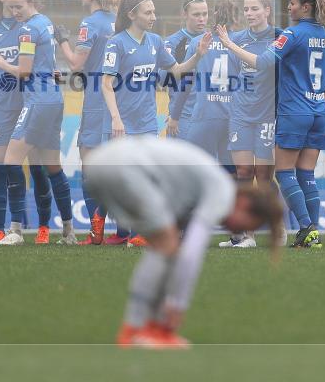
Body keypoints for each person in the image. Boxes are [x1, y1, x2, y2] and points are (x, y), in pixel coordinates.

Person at [84, 136, 284, 348]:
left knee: (162, 248)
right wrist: (178, 305)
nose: (241, 230)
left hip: (102, 163)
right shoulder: (221, 191)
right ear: (244, 204)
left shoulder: (201, 189)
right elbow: (191, 254)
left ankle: (149, 329)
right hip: (123, 168)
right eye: (250, 224)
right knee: (167, 245)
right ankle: (140, 331)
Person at [220, 0, 325, 248]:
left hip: (294, 111)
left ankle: (304, 227)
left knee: (284, 173)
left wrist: (228, 43)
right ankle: (313, 232)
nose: (289, 7)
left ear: (305, 7)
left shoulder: (291, 34)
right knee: (306, 173)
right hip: (319, 111)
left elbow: (262, 63)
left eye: (292, 3)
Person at [101, 0, 211, 246]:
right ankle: (122, 232)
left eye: (153, 11)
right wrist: (116, 119)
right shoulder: (116, 43)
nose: (154, 16)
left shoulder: (155, 42)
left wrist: (198, 56)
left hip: (148, 121)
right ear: (132, 15)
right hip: (123, 122)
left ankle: (142, 232)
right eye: (148, 12)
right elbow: (106, 84)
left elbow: (177, 71)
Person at [0, 0, 76, 246]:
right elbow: (45, 64)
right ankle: (69, 232)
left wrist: (3, 63)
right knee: (53, 167)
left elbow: (24, 71)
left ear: (30, 2)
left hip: (36, 101)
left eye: (18, 6)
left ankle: (15, 231)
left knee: (10, 161)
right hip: (54, 100)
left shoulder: (26, 31)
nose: (14, 12)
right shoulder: (46, 22)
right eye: (11, 8)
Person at [0, 0, 54, 244]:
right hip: (1, 104)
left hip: (27, 100)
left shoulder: (31, 26)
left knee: (36, 164)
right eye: (7, 2)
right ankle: (1, 229)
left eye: (16, 3)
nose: (12, 8)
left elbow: (39, 63)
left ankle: (43, 226)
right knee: (0, 163)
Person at [54, 0, 123, 245]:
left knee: (91, 168)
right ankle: (126, 231)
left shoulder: (89, 23)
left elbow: (76, 63)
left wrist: (62, 40)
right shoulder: (117, 22)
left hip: (96, 101)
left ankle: (96, 233)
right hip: (118, 99)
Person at [216, 0, 286, 248]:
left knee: (264, 176)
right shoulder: (237, 38)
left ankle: (277, 227)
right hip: (241, 114)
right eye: (246, 9)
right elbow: (237, 75)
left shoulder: (279, 37)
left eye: (255, 8)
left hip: (268, 115)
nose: (249, 13)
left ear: (267, 10)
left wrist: (230, 45)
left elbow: (265, 65)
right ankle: (245, 235)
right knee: (243, 173)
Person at [172, 0, 239, 172]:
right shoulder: (240, 44)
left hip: (205, 116)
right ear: (237, 18)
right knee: (231, 174)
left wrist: (174, 116)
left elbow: (185, 82)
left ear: (214, 15)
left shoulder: (199, 42)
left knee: (200, 171)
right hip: (233, 117)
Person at [164, 0, 208, 141]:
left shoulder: (216, 41)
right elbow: (164, 78)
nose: (201, 19)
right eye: (196, 14)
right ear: (184, 15)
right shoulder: (172, 42)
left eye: (205, 14)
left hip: (209, 116)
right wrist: (174, 114)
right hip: (182, 116)